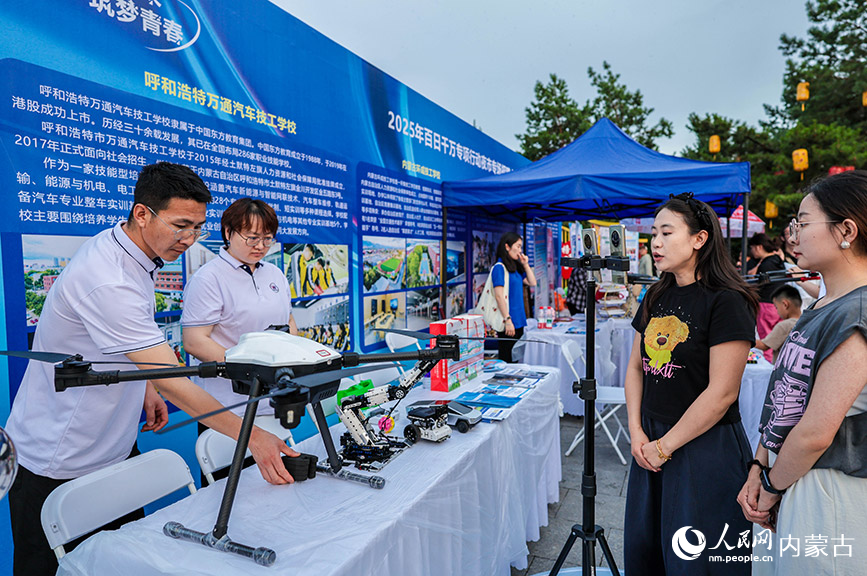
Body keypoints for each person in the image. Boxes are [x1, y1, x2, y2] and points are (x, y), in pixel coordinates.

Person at [5, 163, 299, 575]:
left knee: (121, 559)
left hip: (113, 444)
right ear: (142, 213)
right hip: (60, 454)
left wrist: (145, 391)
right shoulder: (109, 277)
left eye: (197, 227)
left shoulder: (135, 254)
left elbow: (121, 345)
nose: (190, 238)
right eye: (181, 225)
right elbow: (169, 375)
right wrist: (251, 436)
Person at [738, 170, 867, 575]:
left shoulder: (857, 313)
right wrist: (759, 467)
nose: (793, 234)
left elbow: (815, 431)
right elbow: (783, 399)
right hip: (790, 475)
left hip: (825, 491)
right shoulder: (825, 303)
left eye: (803, 222)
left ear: (846, 230)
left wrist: (771, 485)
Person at [624, 192, 758, 574]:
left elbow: (722, 393)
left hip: (703, 447)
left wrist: (665, 447)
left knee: (696, 558)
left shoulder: (726, 300)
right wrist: (636, 432)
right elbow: (636, 367)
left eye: (667, 232)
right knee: (647, 548)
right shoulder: (656, 293)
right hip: (650, 441)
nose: (656, 242)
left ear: (699, 239)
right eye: (654, 233)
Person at [182, 197, 298, 419]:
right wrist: (253, 370)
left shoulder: (274, 274)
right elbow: (194, 341)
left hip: (274, 398)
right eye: (252, 238)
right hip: (227, 406)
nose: (260, 246)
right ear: (228, 233)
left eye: (267, 239)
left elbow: (290, 321)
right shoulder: (209, 278)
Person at [491, 232, 536, 363]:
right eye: (518, 246)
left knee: (516, 360)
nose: (520, 250)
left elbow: (532, 282)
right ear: (507, 247)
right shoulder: (499, 268)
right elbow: (499, 296)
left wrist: (525, 264)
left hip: (519, 320)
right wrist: (507, 319)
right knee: (507, 360)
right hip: (508, 322)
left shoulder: (514, 267)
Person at [748, 233, 787, 361]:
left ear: (759, 247)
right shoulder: (778, 260)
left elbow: (760, 287)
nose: (751, 252)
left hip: (765, 305)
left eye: (752, 248)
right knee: (779, 339)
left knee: (767, 340)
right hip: (780, 304)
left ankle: (769, 365)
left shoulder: (765, 265)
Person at [754, 285, 801, 363]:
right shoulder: (806, 321)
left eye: (776, 307)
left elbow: (764, 345)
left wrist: (745, 338)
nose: (777, 311)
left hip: (783, 369)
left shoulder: (785, 325)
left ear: (785, 304)